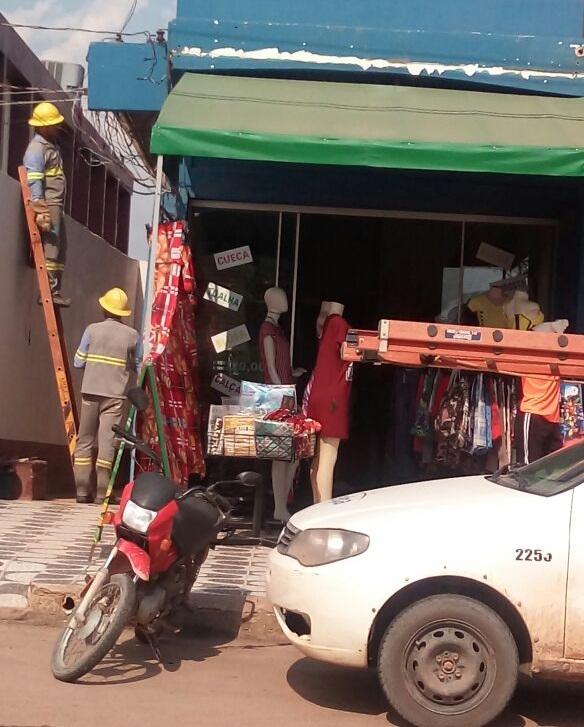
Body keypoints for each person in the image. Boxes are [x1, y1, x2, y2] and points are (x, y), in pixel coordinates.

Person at [73, 288, 140, 503]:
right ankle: (103, 494)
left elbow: (78, 361)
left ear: (104, 308)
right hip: (115, 397)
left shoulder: (91, 330)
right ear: (123, 313)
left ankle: (82, 492)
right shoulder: (132, 335)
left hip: (90, 393)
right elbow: (138, 365)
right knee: (107, 443)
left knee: (84, 442)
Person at [23, 102, 70, 307]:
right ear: (42, 126)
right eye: (52, 124)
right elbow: (34, 180)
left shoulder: (51, 146)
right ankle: (48, 291)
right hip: (49, 203)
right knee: (52, 246)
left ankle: (55, 289)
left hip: (57, 203)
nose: (56, 127)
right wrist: (41, 210)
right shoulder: (36, 149)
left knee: (60, 247)